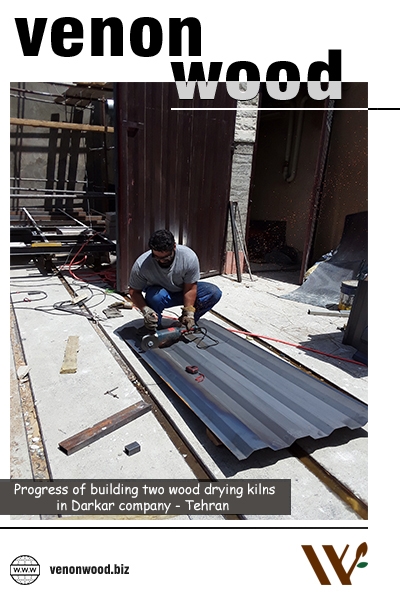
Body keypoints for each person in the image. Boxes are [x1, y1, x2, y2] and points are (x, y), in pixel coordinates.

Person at [128, 229, 222, 331]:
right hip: (161, 295)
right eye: (157, 258)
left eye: (166, 258)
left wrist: (189, 312)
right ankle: (154, 324)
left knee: (213, 293)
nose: (161, 261)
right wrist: (145, 310)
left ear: (174, 247)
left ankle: (187, 321)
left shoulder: (188, 258)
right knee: (155, 297)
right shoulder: (141, 265)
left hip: (182, 290)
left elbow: (190, 289)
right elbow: (134, 291)